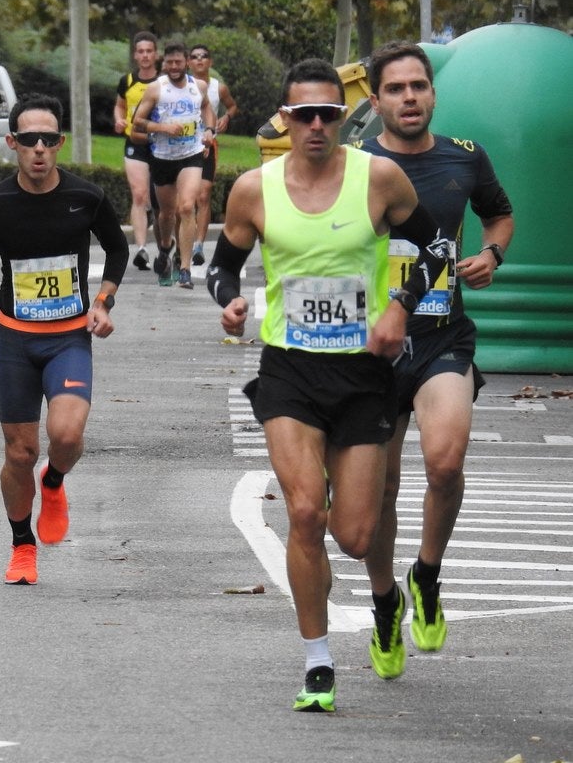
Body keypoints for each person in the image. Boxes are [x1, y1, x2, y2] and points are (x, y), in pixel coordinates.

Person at [204, 57, 449, 712]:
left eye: (327, 114)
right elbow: (221, 266)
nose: (314, 125)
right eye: (302, 114)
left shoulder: (378, 179)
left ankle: (386, 598)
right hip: (288, 369)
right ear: (284, 119)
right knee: (305, 512)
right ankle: (317, 662)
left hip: (363, 376)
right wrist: (227, 300)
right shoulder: (254, 189)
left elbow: (435, 250)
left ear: (343, 117)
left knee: (355, 537)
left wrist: (397, 307)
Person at [357, 41, 514, 680]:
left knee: (445, 464)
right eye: (395, 89)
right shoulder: (352, 165)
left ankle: (426, 575)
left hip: (442, 336)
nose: (410, 98)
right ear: (376, 101)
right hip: (369, 350)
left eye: (418, 86)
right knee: (379, 493)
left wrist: (492, 255)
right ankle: (385, 603)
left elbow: (498, 215)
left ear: (433, 92)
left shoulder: (465, 158)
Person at [0, 94, 128, 585]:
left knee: (67, 435)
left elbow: (117, 248)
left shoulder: (86, 197)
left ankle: (53, 482)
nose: (39, 149)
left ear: (60, 144)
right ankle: (21, 545)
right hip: (15, 339)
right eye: (29, 139)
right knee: (19, 453)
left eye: (49, 140)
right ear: (12, 143)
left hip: (68, 338)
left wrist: (104, 302)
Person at [131, 41, 215, 289]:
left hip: (192, 154)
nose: (174, 67)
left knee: (187, 207)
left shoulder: (198, 86)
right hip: (163, 157)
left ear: (186, 62)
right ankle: (166, 249)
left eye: (178, 62)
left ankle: (185, 267)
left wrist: (209, 129)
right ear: (163, 63)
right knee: (165, 214)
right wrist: (163, 128)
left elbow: (207, 109)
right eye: (169, 63)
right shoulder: (157, 89)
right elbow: (138, 122)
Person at [187, 44, 240, 267]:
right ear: (189, 62)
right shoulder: (182, 86)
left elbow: (232, 106)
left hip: (208, 143)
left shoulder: (219, 88)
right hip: (184, 145)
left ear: (210, 62)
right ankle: (183, 241)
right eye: (195, 57)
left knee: (204, 194)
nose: (200, 60)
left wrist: (227, 117)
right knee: (186, 198)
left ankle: (199, 244)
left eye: (204, 56)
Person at [112, 31, 158, 272]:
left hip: (161, 145)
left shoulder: (164, 82)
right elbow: (119, 106)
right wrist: (120, 120)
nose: (145, 55)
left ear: (156, 54)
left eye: (149, 51)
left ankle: (164, 245)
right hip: (135, 143)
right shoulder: (127, 81)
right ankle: (141, 249)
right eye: (141, 51)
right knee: (139, 195)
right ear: (135, 55)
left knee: (160, 201)